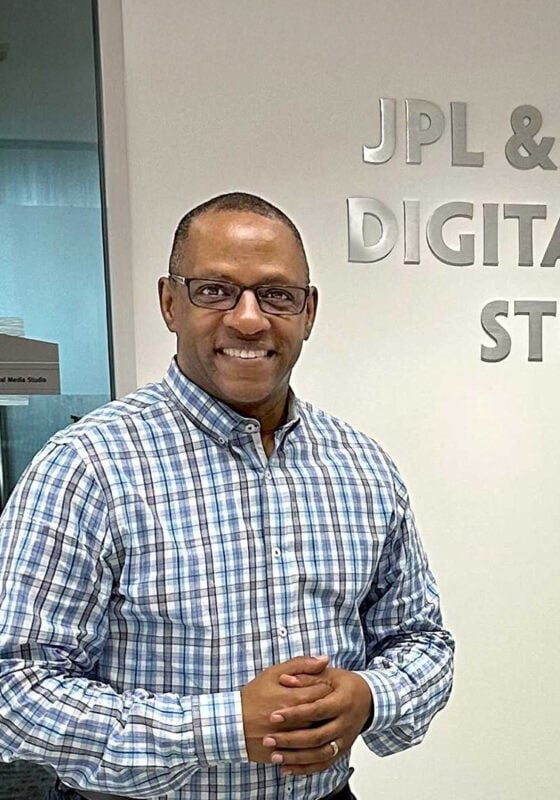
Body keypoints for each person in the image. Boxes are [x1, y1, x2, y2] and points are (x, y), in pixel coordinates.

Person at [0, 192, 454, 800]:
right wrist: (219, 727)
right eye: (215, 290)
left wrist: (370, 697)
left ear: (308, 311)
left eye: (277, 295)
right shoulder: (87, 468)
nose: (248, 318)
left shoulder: (362, 466)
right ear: (169, 302)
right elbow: (16, 687)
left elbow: (422, 640)